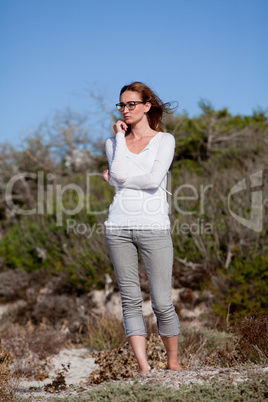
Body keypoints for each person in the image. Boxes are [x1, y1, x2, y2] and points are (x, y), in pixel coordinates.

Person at [102, 81, 181, 374]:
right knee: (130, 301)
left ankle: (173, 365)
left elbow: (150, 180)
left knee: (161, 302)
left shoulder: (165, 140)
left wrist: (116, 179)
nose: (125, 110)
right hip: (118, 226)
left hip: (154, 226)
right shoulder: (113, 143)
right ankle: (145, 369)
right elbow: (122, 173)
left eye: (131, 104)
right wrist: (120, 141)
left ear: (147, 106)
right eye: (121, 105)